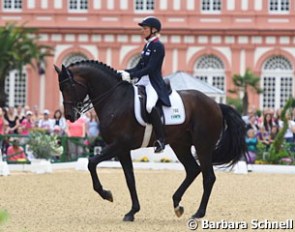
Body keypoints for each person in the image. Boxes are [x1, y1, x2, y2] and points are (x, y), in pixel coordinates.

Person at [118, 16, 171, 153]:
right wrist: (122, 72)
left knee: (149, 106)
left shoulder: (158, 46)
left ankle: (161, 139)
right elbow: (139, 67)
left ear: (153, 30)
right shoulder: (147, 46)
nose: (142, 31)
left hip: (153, 83)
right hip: (142, 81)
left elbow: (151, 68)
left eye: (145, 28)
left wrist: (131, 76)